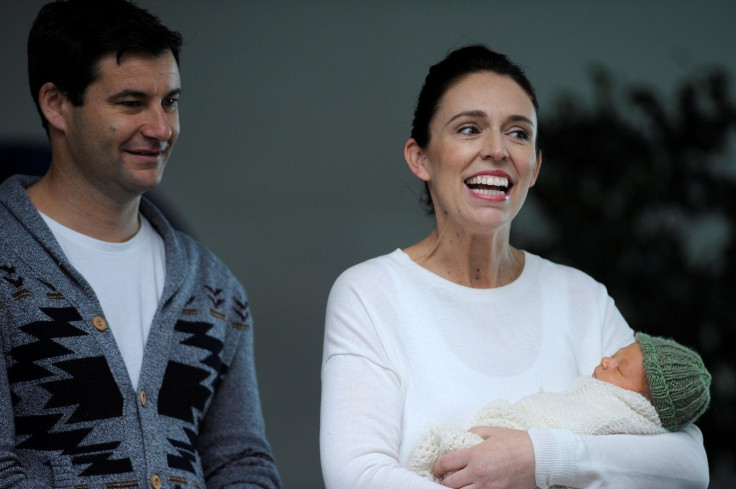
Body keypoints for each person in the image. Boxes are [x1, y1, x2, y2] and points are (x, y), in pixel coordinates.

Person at [320, 44, 709, 488]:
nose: (497, 150)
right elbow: (357, 476)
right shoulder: (370, 293)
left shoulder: (580, 297)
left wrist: (538, 456)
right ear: (420, 158)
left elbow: (688, 468)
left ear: (535, 167)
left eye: (519, 134)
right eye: (469, 128)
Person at [0, 1, 282, 488]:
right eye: (131, 103)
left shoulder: (212, 288)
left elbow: (240, 462)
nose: (161, 128)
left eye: (169, 101)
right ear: (56, 104)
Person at [408, 332, 712, 483]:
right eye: (614, 354)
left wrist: (539, 454)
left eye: (619, 369)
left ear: (645, 404)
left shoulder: (618, 413)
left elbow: (693, 468)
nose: (606, 361)